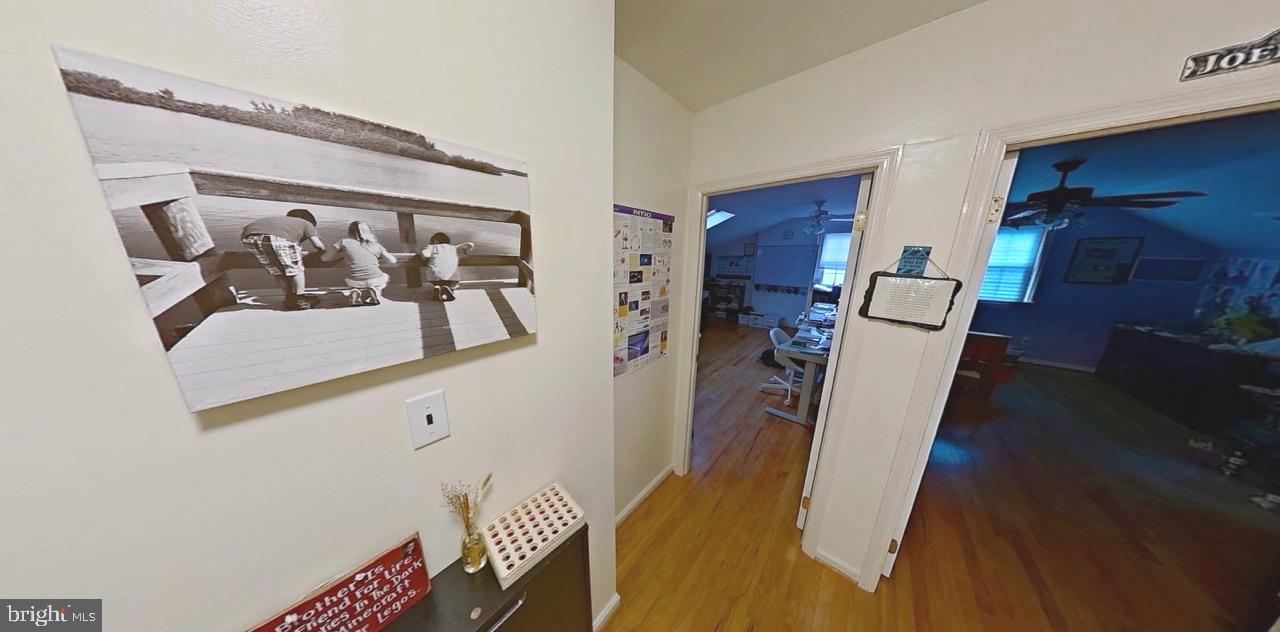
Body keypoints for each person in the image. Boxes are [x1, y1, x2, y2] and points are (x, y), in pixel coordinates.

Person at [240, 209, 325, 310]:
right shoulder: (306, 223)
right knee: (296, 270)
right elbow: (318, 244)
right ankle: (300, 299)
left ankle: (289, 297)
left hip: (249, 237)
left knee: (277, 271)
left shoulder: (281, 221)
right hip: (277, 239)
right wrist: (323, 252)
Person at [322, 221, 396, 306]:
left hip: (353, 280)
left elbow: (325, 258)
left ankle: (355, 290)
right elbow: (393, 260)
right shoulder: (375, 245)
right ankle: (376, 290)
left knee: (354, 279)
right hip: (374, 279)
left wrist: (343, 254)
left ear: (349, 233)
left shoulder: (343, 242)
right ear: (368, 232)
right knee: (386, 277)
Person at [419, 232, 474, 302]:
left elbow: (425, 255)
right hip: (452, 277)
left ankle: (438, 287)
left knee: (435, 275)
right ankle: (448, 289)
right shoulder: (455, 248)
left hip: (434, 276)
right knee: (453, 278)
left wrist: (429, 247)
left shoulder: (433, 247)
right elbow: (470, 245)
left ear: (435, 241)